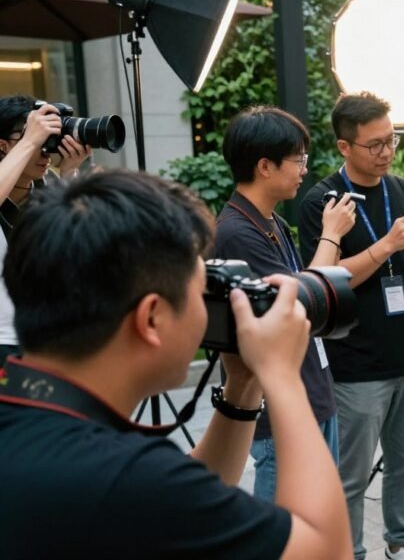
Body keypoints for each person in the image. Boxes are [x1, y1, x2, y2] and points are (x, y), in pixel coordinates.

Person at [0, 171, 353, 559]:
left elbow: (186, 496)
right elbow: (325, 550)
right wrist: (283, 376)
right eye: (202, 289)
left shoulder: (42, 426)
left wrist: (243, 386)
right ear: (152, 318)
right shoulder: (124, 479)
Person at [298, 92, 404, 560]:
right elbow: (324, 282)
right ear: (345, 147)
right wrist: (385, 245)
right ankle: (350, 551)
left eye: (391, 140)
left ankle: (400, 542)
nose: (386, 152)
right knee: (351, 474)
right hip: (356, 359)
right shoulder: (321, 202)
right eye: (374, 145)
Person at [214, 106, 357, 500]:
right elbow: (295, 303)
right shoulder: (236, 232)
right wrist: (331, 235)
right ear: (265, 166)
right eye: (298, 160)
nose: (304, 170)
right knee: (284, 533)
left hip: (310, 388)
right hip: (280, 409)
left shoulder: (270, 221)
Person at [0, 97, 90, 363]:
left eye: (47, 140)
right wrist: (30, 140)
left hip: (47, 337)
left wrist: (70, 173)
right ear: (2, 146)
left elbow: (74, 250)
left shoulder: (47, 191)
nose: (45, 150)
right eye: (35, 138)